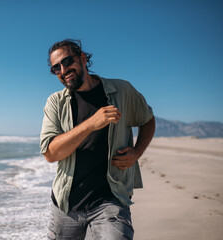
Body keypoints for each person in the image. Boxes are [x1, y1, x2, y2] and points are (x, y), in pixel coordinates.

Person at [40, 39, 155, 240]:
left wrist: (137, 152)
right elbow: (50, 153)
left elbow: (147, 119)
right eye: (56, 68)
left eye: (67, 62)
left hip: (111, 199)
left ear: (83, 58)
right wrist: (91, 124)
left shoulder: (122, 90)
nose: (63, 69)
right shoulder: (55, 103)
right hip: (66, 204)